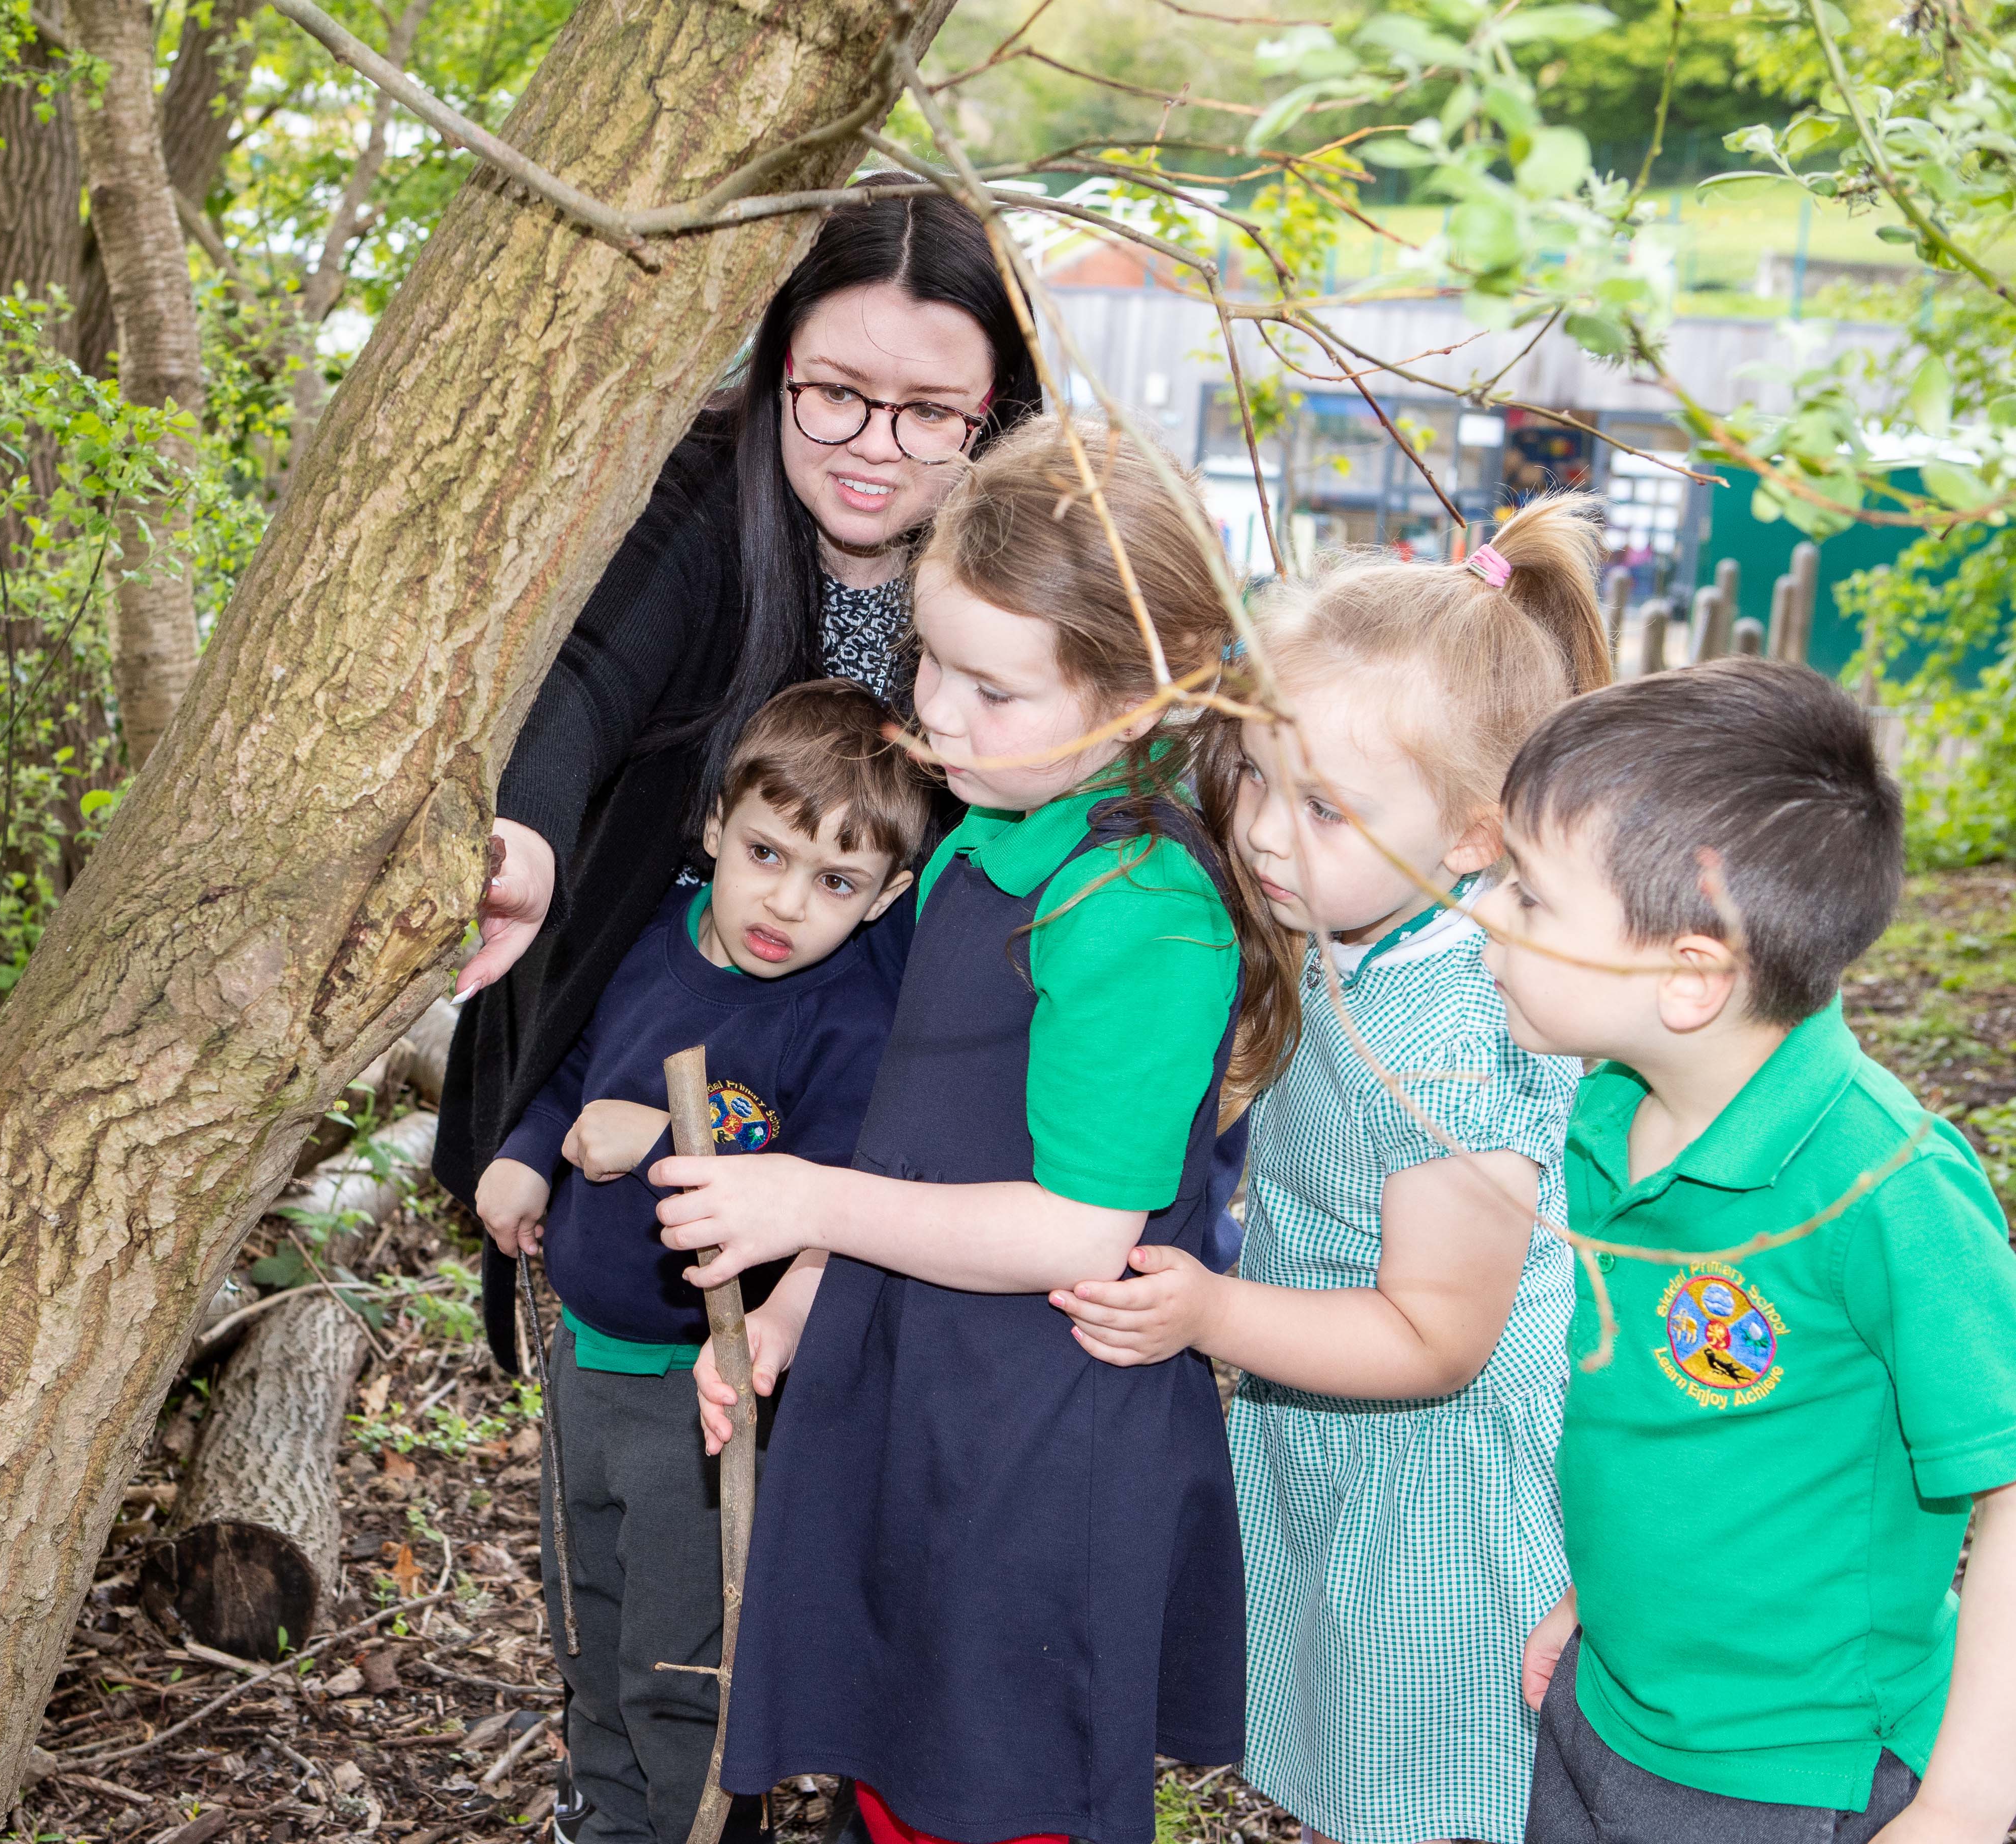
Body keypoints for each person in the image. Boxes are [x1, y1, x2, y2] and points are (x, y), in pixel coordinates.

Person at [665, 420, 1293, 1844]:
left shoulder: (1134, 904)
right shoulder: (992, 831)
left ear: (1139, 700)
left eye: (994, 690)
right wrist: (806, 1304)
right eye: (930, 661)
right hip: (928, 1395)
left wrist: (808, 1210)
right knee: (900, 1770)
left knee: (995, 1793)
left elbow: (1079, 1228)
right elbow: (921, 1144)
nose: (934, 715)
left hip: (1036, 1451)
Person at [1052, 496, 1616, 1844]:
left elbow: (1440, 1337)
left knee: (1436, 1801)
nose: (1256, 830)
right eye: (1252, 771)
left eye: (1323, 804)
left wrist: (1211, 1315)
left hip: (1444, 1495)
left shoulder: (1452, 1038)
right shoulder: (1359, 923)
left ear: (1476, 835)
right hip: (1349, 1444)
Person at [436, 180, 1046, 1374]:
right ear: (776, 371)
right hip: (689, 995)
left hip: (892, 1043)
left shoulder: (1035, 546)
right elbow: (589, 682)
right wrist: (528, 837)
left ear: (997, 411)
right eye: (835, 396)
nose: (874, 448)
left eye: (930, 412)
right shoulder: (702, 488)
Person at [1477, 659, 2016, 1844]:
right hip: (1608, 1704)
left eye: (1527, 895)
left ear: (1688, 976)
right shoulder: (1610, 1114)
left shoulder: (1885, 1188)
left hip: (1785, 1774)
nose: (1480, 912)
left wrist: (1975, 1796)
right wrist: (1601, 1595)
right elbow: (1679, 1426)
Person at [472, 679, 927, 1844]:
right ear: (717, 823)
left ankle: (693, 1826)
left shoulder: (843, 1018)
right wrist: (530, 1153)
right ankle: (603, 1815)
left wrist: (682, 1133)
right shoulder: (648, 938)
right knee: (591, 1610)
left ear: (888, 900)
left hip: (708, 1386)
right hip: (587, 1358)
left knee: (683, 1646)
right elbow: (579, 1068)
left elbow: (836, 1181)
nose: (786, 902)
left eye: (837, 882)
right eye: (767, 852)